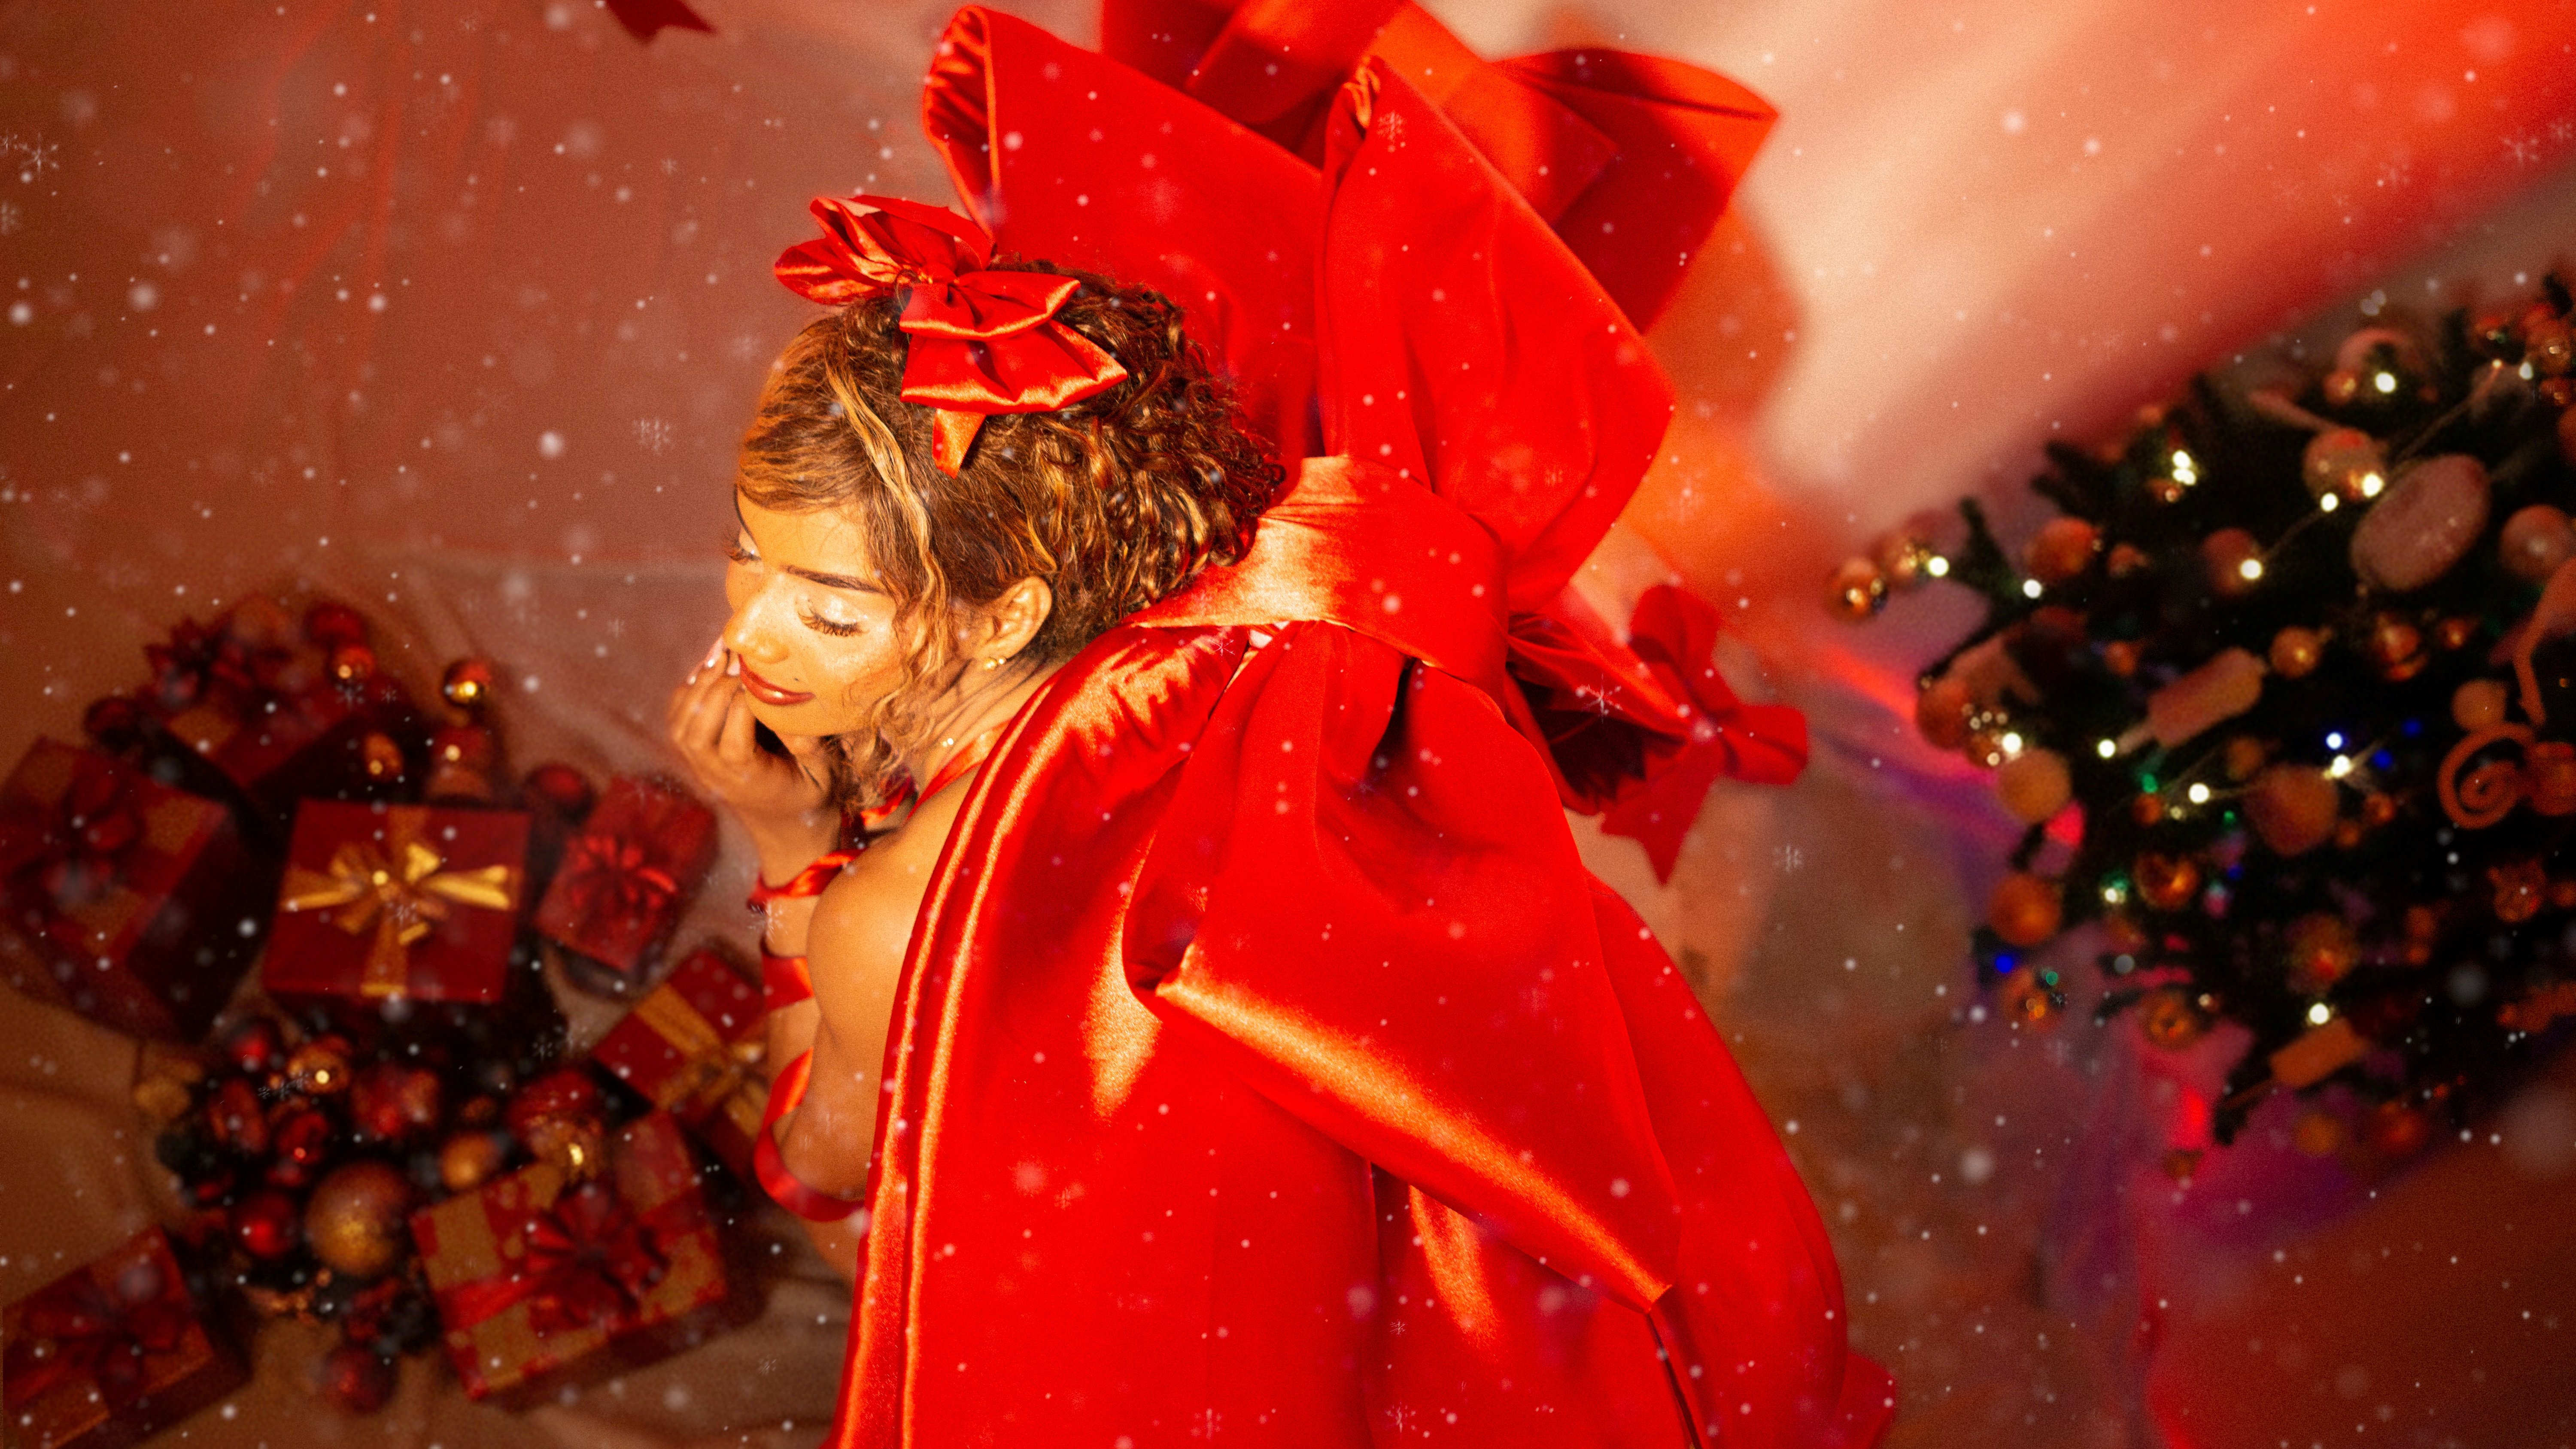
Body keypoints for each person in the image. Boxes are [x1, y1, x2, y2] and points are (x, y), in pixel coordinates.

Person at [672, 6, 1889, 1445]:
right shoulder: (1280, 747)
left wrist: (788, 849)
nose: (749, 637)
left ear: (1006, 617)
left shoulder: (904, 907)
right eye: (748, 557)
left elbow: (840, 1215)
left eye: (828, 607)